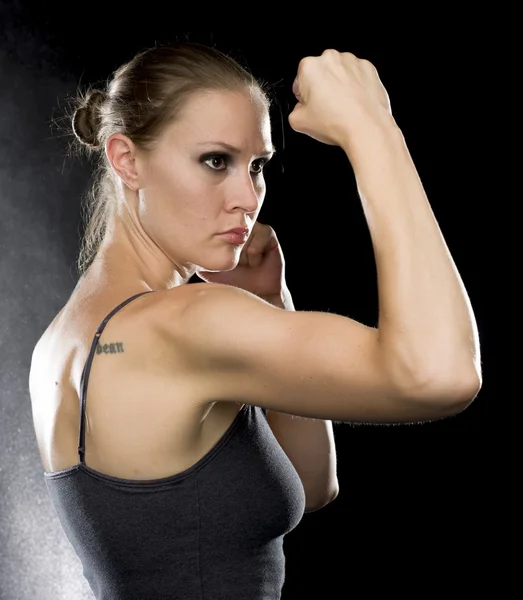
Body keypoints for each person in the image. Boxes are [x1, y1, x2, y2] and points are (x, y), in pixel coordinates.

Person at [28, 42, 482, 599]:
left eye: (257, 166)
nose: (249, 197)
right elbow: (442, 375)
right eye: (216, 161)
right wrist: (373, 129)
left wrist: (271, 300)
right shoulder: (184, 324)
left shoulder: (64, 339)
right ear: (127, 159)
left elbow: (312, 485)